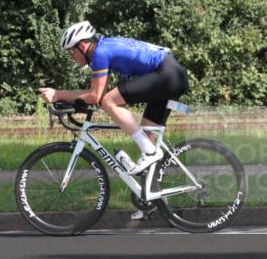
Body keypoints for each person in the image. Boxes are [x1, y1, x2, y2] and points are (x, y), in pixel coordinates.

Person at [39, 21, 190, 176]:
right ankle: (152, 194)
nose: (72, 57)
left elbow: (96, 96)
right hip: (171, 73)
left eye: (71, 51)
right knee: (146, 136)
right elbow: (98, 93)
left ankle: (151, 153)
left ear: (82, 46)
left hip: (166, 74)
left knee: (108, 101)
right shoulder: (106, 47)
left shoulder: (100, 53)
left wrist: (58, 94)